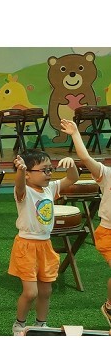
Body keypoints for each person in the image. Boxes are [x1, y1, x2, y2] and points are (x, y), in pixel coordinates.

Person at [8, 149, 78, 335]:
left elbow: (72, 178)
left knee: (46, 291)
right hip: (26, 245)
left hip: (45, 245)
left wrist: (71, 164)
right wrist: (20, 171)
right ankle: (19, 325)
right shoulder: (24, 192)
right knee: (31, 292)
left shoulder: (50, 188)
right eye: (44, 170)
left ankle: (41, 324)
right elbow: (19, 185)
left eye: (50, 169)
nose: (49, 174)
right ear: (28, 174)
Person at [62, 119, 111, 327]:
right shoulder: (107, 174)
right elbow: (85, 157)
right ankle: (110, 307)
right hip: (108, 233)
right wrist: (75, 133)